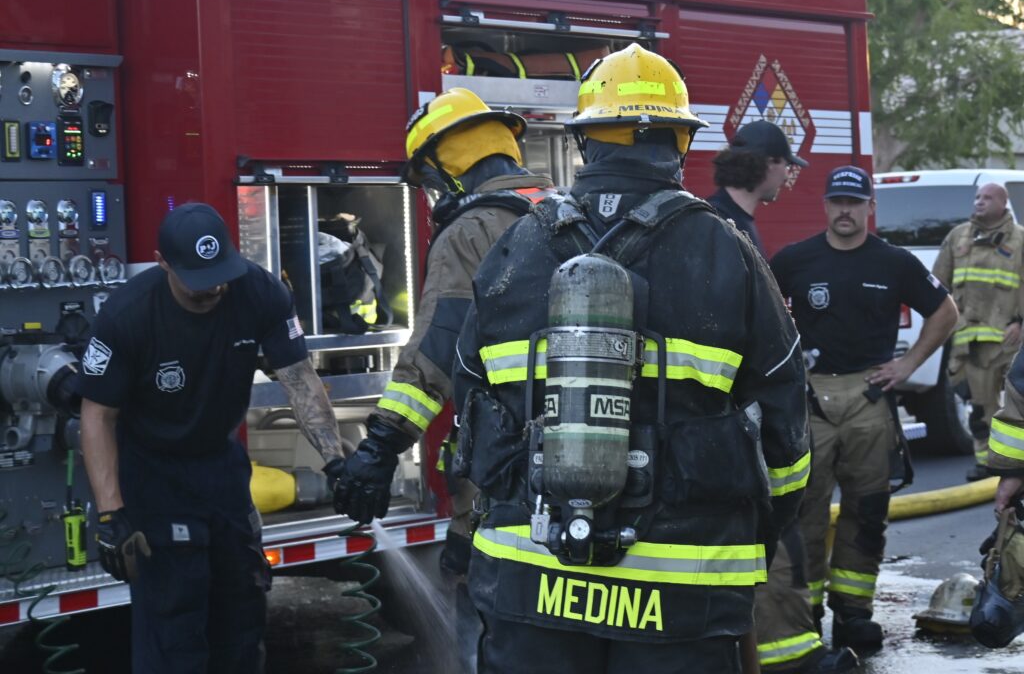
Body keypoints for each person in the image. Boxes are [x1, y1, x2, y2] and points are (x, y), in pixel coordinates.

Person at [452, 44, 811, 674]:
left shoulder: (516, 245)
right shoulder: (725, 249)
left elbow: (470, 398)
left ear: (585, 142)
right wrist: (759, 531)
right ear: (679, 144)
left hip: (531, 579)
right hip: (682, 589)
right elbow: (784, 422)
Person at [329, 87, 553, 669]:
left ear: (449, 167)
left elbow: (437, 349)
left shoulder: (470, 231)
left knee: (485, 620)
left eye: (429, 180)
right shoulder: (566, 212)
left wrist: (380, 446)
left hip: (504, 473)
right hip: (585, 466)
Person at [76, 202, 346, 674]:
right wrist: (111, 514)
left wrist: (336, 462)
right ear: (163, 263)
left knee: (242, 609)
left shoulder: (259, 291)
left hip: (221, 469)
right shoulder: (128, 315)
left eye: (221, 275)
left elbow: (300, 379)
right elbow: (97, 415)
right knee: (174, 625)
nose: (214, 288)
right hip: (154, 476)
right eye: (199, 281)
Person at [770, 166, 958, 653]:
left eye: (854, 203)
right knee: (805, 511)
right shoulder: (794, 260)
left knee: (867, 510)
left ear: (870, 208)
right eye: (838, 201)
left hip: (869, 398)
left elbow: (946, 312)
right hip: (810, 400)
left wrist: (908, 364)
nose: (845, 211)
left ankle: (854, 613)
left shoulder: (894, 262)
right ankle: (804, 614)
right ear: (826, 206)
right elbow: (759, 312)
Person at [706, 129, 852, 673]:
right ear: (765, 164)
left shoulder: (729, 223)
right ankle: (790, 659)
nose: (789, 176)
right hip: (736, 417)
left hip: (738, 415)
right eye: (786, 165)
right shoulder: (722, 227)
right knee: (769, 533)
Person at [932, 182, 1024, 481]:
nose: (979, 202)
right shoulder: (958, 237)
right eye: (977, 197)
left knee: (1017, 405)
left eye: (987, 197)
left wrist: (1020, 322)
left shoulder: (1020, 240)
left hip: (1009, 340)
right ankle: (987, 463)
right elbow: (938, 284)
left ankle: (1015, 464)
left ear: (1003, 203)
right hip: (968, 341)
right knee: (980, 407)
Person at [708, 118, 808, 256]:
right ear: (770, 163)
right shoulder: (717, 223)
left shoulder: (727, 220)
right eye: (786, 166)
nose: (786, 176)